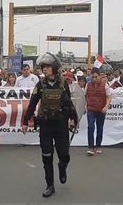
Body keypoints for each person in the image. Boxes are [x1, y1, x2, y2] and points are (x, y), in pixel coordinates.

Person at [22, 52, 78, 198]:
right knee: (46, 156)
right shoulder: (40, 84)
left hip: (60, 125)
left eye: (47, 67)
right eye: (43, 67)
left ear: (54, 68)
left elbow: (68, 103)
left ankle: (62, 166)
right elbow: (32, 103)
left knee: (64, 155)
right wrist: (25, 121)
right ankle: (50, 185)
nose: (44, 69)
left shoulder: (63, 83)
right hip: (45, 125)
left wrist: (74, 118)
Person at [85, 67, 112, 156]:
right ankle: (91, 147)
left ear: (99, 76)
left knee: (99, 128)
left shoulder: (105, 85)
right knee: (91, 127)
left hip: (101, 110)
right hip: (91, 109)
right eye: (92, 77)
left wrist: (106, 106)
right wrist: (86, 105)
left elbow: (108, 97)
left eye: (96, 77)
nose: (94, 79)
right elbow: (85, 96)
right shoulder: (88, 85)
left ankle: (98, 145)